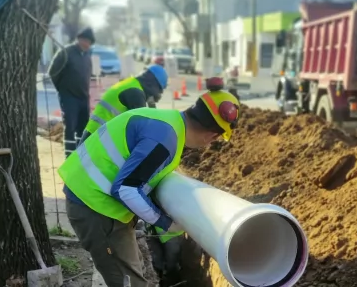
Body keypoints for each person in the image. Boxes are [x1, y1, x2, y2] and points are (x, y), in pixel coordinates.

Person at [59, 78, 240, 287]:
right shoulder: (164, 139)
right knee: (129, 282)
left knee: (131, 274)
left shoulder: (169, 123)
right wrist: (165, 222)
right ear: (212, 135)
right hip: (95, 206)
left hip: (94, 197)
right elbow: (126, 189)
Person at [79, 64, 168, 143]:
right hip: (99, 138)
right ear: (153, 84)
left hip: (95, 132)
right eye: (159, 90)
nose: (158, 94)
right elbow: (141, 127)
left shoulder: (132, 83)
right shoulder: (135, 93)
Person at [48, 27, 95, 158]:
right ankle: (69, 158)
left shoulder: (87, 55)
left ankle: (81, 158)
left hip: (83, 98)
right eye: (85, 40)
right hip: (69, 97)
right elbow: (53, 73)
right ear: (79, 39)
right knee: (70, 128)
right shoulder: (66, 52)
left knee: (83, 129)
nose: (86, 44)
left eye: (89, 42)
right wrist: (63, 89)